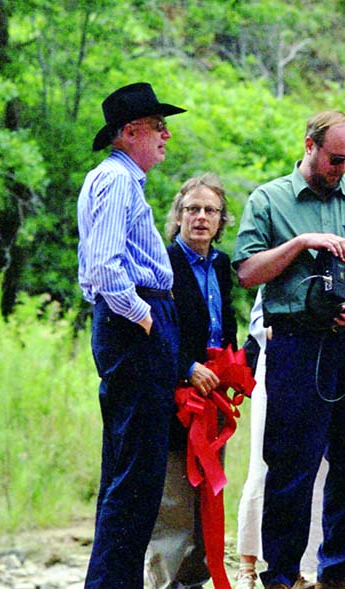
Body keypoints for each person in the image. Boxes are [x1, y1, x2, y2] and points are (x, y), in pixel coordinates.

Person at [233, 110, 345, 589]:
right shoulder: (269, 200)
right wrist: (301, 242)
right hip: (295, 340)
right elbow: (248, 271)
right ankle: (283, 574)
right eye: (335, 159)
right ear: (309, 145)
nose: (342, 169)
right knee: (291, 460)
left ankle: (337, 568)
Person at [78, 82, 187, 589]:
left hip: (132, 324)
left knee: (131, 467)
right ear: (129, 132)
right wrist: (142, 316)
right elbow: (103, 267)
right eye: (157, 125)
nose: (166, 134)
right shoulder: (116, 181)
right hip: (134, 325)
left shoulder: (119, 182)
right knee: (136, 473)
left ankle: (113, 582)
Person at [146, 174, 239, 589]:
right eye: (192, 209)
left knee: (208, 497)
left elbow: (225, 325)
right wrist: (186, 368)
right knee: (174, 500)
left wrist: (234, 366)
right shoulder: (162, 263)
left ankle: (195, 581)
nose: (201, 217)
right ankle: (165, 582)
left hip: (214, 395)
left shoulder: (220, 264)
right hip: (175, 394)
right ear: (178, 216)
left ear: (221, 220)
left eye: (210, 211)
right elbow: (156, 331)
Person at [235, 292, 328, 589]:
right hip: (278, 363)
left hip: (324, 366)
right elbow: (258, 323)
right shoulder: (281, 254)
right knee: (263, 464)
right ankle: (246, 565)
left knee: (316, 470)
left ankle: (296, 568)